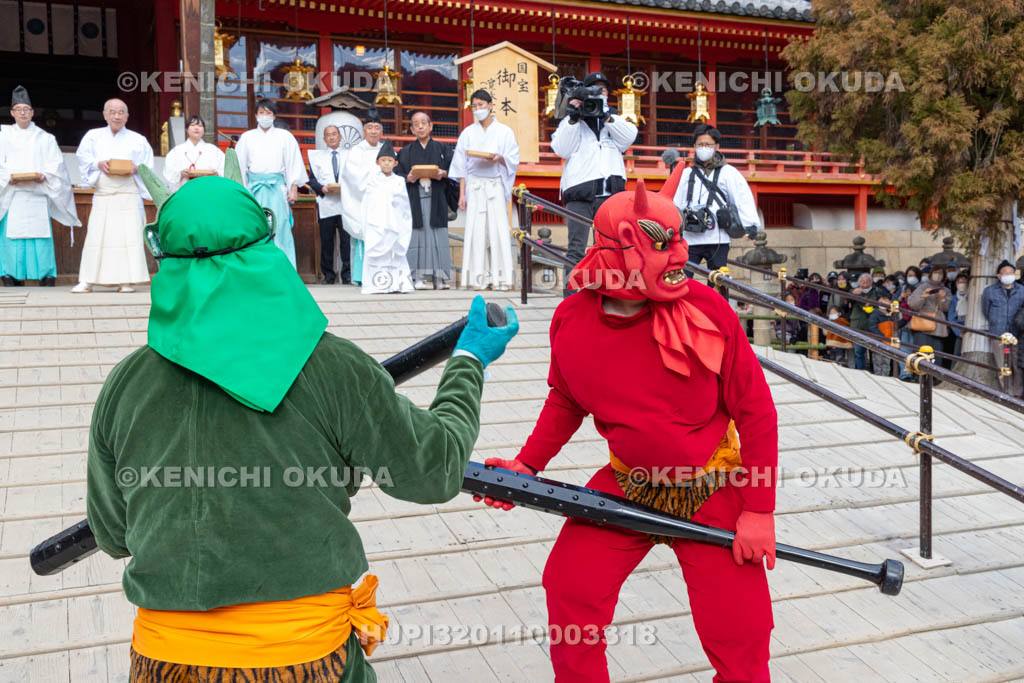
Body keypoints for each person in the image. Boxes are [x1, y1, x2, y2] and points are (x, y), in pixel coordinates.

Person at [89, 164, 520, 680]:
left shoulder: (125, 385)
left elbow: (114, 534)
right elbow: (431, 471)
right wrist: (468, 361)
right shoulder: (334, 367)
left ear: (164, 259)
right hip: (304, 662)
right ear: (265, 246)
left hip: (165, 663)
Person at [476, 170, 778, 682]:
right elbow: (567, 399)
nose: (680, 253)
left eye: (679, 237)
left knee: (741, 629)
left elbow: (756, 412)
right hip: (627, 483)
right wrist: (528, 464)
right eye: (661, 244)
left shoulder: (707, 308)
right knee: (570, 587)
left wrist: (759, 510)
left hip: (712, 482)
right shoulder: (572, 318)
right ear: (613, 252)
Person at [551, 71, 637, 297]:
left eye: (603, 90)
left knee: (611, 247)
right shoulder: (572, 122)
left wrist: (606, 115)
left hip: (610, 195)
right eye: (594, 89)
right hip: (580, 194)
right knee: (576, 249)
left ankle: (610, 293)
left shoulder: (614, 119)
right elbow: (561, 149)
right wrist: (572, 116)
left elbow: (629, 137)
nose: (599, 93)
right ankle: (571, 296)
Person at [0, 85, 80, 287]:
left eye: (26, 109)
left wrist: (45, 175)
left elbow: (56, 164)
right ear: (12, 112)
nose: (23, 113)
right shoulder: (4, 135)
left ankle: (46, 274)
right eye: (18, 109)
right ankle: (10, 274)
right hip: (13, 195)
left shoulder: (45, 138)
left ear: (32, 112)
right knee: (12, 238)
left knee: (40, 236)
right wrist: (7, 177)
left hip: (37, 193)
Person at [72, 98, 153, 293]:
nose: (116, 116)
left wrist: (136, 168)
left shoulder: (138, 139)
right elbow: (83, 157)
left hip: (128, 193)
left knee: (128, 237)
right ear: (105, 115)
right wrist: (98, 164)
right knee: (97, 236)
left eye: (121, 112)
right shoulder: (93, 136)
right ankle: (87, 280)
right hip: (104, 193)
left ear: (127, 116)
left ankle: (126, 280)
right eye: (112, 112)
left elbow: (147, 166)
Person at [450, 89, 520, 291]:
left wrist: (501, 158)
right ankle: (477, 278)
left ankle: (502, 278)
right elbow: (460, 166)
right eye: (474, 106)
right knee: (476, 229)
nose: (478, 109)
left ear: (490, 105)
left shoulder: (504, 131)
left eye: (481, 105)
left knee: (498, 229)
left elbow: (513, 158)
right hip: (475, 184)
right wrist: (462, 194)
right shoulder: (468, 133)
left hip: (495, 184)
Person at [672, 124, 760, 277]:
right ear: (694, 146)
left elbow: (742, 197)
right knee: (683, 279)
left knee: (718, 281)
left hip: (717, 237)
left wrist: (750, 225)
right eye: (700, 144)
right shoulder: (685, 174)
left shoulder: (729, 173)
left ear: (717, 146)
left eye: (708, 144)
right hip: (689, 237)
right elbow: (675, 202)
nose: (703, 148)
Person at [234, 99, 308, 269]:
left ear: (274, 116)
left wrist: (293, 187)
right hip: (254, 189)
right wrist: (243, 191)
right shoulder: (247, 137)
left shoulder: (285, 137)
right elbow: (240, 165)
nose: (265, 116)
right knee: (254, 227)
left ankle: (285, 268)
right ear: (255, 115)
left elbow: (293, 163)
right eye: (261, 113)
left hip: (277, 189)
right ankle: (255, 268)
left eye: (268, 113)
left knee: (280, 226)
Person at [396, 111, 454, 289]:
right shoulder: (405, 152)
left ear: (431, 126)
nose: (420, 126)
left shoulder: (444, 149)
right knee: (417, 238)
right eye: (416, 124)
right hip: (415, 198)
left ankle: (440, 278)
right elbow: (398, 175)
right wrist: (408, 178)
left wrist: (443, 173)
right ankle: (417, 277)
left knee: (439, 237)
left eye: (424, 123)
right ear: (412, 130)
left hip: (437, 197)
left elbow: (455, 171)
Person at [340, 107, 389, 287]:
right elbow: (352, 178)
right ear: (364, 130)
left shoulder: (386, 149)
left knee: (383, 237)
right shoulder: (356, 151)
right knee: (363, 236)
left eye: (377, 128)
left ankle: (381, 273)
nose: (374, 131)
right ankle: (361, 275)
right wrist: (373, 182)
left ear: (381, 131)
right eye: (370, 127)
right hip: (362, 201)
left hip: (382, 202)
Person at [360, 141, 413, 295]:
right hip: (377, 221)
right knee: (378, 253)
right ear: (378, 162)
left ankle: (398, 284)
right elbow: (368, 203)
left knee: (395, 253)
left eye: (390, 161)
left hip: (395, 221)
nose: (387, 164)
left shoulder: (399, 181)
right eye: (383, 160)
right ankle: (376, 285)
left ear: (395, 163)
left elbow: (404, 204)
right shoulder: (372, 180)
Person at [307, 125, 350, 285]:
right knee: (327, 241)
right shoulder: (317, 157)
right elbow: (311, 179)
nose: (331, 137)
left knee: (346, 241)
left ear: (340, 137)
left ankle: (347, 274)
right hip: (326, 203)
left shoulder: (350, 156)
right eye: (328, 135)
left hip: (346, 203)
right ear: (324, 139)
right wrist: (321, 188)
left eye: (334, 134)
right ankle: (328, 275)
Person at [981, 260, 1024, 395]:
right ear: (999, 276)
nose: (1009, 275)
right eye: (1005, 273)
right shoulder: (990, 291)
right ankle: (1006, 392)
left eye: (1011, 272)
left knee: (1017, 364)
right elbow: (986, 310)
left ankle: (1018, 392)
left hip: (1017, 332)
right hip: (998, 332)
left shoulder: (1022, 290)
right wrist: (996, 320)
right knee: (1001, 364)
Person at [162, 115, 225, 191]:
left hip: (208, 190)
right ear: (186, 129)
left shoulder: (213, 150)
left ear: (204, 130)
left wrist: (217, 173)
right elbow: (169, 175)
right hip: (185, 191)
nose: (196, 128)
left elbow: (224, 170)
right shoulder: (176, 151)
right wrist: (180, 174)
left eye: (200, 125)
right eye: (192, 125)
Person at [908, 264, 951, 365]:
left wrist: (942, 299)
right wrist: (923, 296)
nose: (938, 275)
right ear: (931, 274)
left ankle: (934, 379)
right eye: (935, 272)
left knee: (936, 357)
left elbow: (946, 308)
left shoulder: (946, 290)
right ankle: (919, 377)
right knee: (921, 356)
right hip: (922, 325)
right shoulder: (922, 287)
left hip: (938, 327)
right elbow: (912, 304)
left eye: (940, 273)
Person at [848, 272, 886, 370]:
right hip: (858, 324)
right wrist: (853, 294)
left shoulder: (877, 291)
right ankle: (860, 371)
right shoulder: (854, 291)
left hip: (874, 325)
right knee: (859, 351)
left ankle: (875, 371)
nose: (864, 284)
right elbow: (845, 300)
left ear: (871, 282)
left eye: (867, 281)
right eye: (862, 281)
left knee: (875, 350)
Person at [867, 290, 897, 376]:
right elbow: (872, 327)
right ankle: (879, 379)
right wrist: (882, 337)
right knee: (878, 362)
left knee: (887, 363)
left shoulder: (891, 314)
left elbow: (896, 326)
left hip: (888, 343)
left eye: (886, 300)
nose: (884, 302)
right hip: (878, 342)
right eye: (881, 300)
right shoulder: (875, 314)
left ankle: (885, 378)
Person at [947, 272, 969, 356]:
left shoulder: (972, 296)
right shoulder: (954, 298)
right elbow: (951, 318)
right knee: (957, 355)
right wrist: (959, 332)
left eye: (963, 282)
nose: (961, 284)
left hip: (972, 329)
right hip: (960, 331)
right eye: (959, 282)